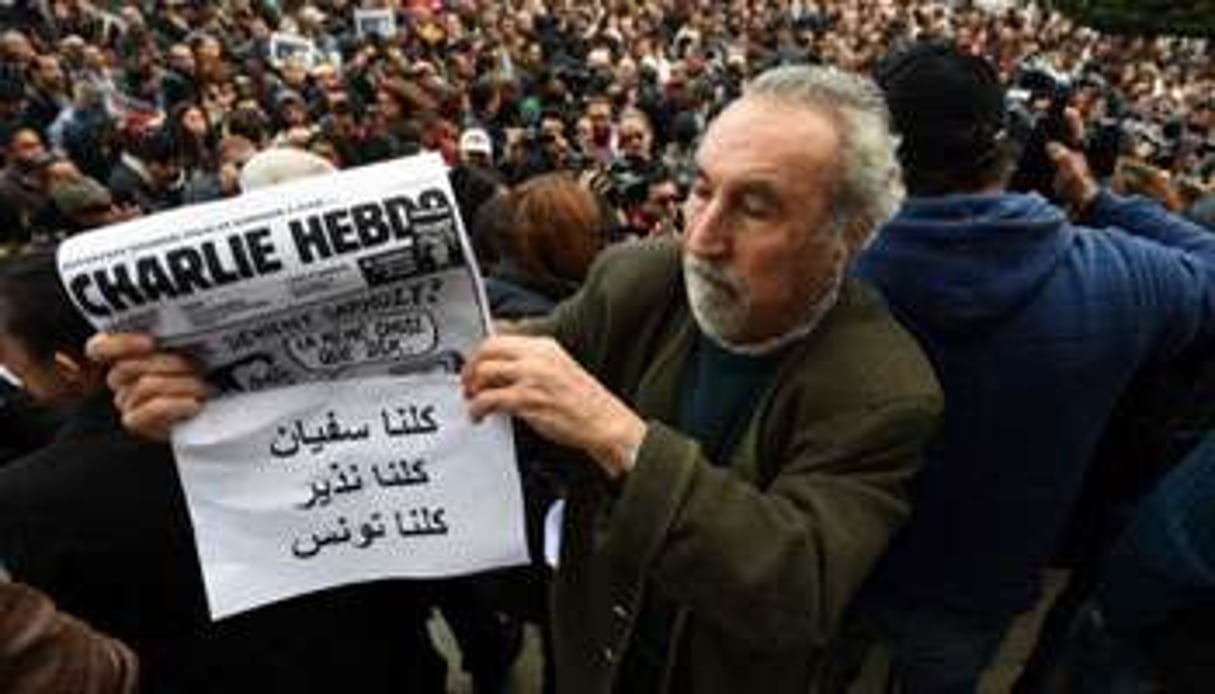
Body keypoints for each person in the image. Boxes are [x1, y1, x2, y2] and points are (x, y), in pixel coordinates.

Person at [90, 64, 942, 693]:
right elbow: (469, 370)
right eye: (699, 191)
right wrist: (222, 388)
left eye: (754, 206)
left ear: (851, 233)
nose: (701, 237)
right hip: (587, 654)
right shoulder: (637, 277)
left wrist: (616, 435)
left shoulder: (883, 389)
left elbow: (794, 586)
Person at [851, 41, 1215, 692]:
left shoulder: (828, 272)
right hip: (981, 592)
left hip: (844, 567)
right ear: (1005, 146)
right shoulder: (1115, 276)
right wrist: (1095, 196)